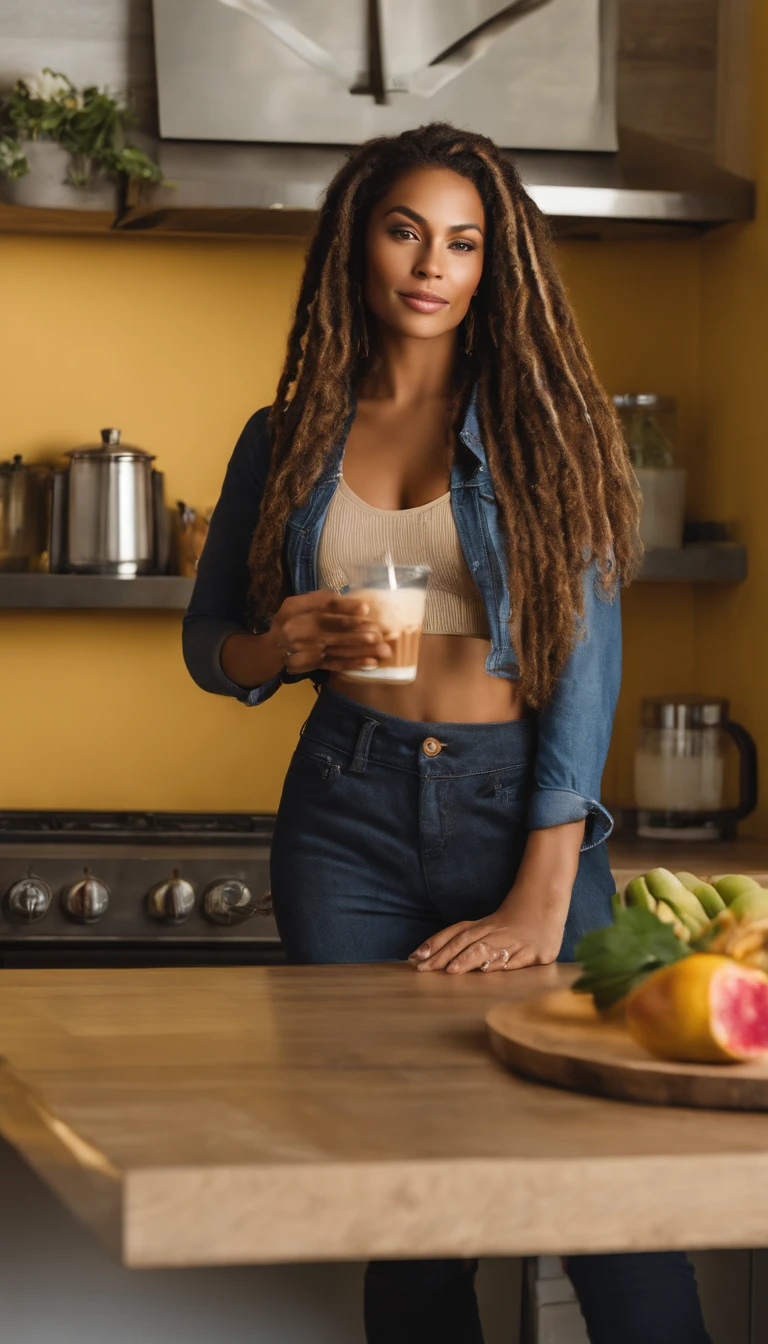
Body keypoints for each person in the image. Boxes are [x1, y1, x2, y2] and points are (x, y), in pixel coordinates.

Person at [183, 122, 711, 1344]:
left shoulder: (546, 427)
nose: (434, 264)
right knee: (405, 1198)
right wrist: (283, 651)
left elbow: (584, 669)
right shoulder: (287, 435)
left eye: (465, 241)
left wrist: (543, 891)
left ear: (496, 264)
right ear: (357, 245)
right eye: (406, 230)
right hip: (345, 813)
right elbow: (212, 637)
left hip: (520, 807)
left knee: (609, 1189)